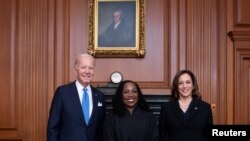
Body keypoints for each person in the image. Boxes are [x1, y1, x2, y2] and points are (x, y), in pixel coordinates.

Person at [47, 53, 106, 141]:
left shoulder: (100, 96)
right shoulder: (63, 93)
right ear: (76, 68)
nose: (87, 71)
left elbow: (101, 130)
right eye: (83, 67)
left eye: (91, 68)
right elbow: (53, 127)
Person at [159, 70, 213, 141]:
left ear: (193, 85)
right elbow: (162, 136)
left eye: (188, 82)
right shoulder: (166, 108)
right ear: (176, 86)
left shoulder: (205, 108)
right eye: (180, 83)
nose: (184, 86)